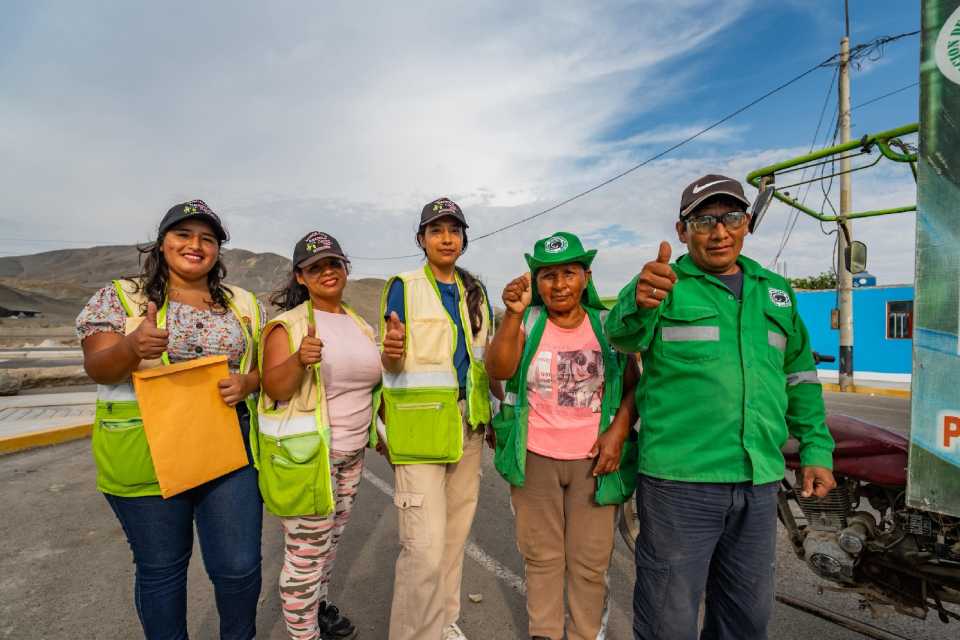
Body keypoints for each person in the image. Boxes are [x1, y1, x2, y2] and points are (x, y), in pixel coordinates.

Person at [604, 175, 837, 640]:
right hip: (680, 483)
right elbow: (622, 335)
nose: (719, 232)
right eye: (703, 221)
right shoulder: (663, 285)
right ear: (682, 230)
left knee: (745, 619)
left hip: (758, 480)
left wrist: (816, 449)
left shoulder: (775, 291)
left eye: (731, 217)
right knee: (668, 620)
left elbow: (800, 376)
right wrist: (638, 300)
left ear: (746, 223)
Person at [77, 199, 264, 640]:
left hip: (227, 449)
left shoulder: (242, 304)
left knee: (239, 566)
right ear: (162, 243)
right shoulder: (122, 296)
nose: (195, 245)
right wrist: (131, 347)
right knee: (162, 569)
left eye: (207, 238)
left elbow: (262, 368)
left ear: (218, 250)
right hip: (147, 452)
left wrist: (248, 383)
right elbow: (98, 367)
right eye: (183, 234)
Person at [485, 232, 639, 640]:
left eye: (569, 273)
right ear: (536, 282)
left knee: (590, 562)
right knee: (542, 556)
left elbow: (632, 387)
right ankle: (545, 632)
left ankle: (586, 634)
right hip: (536, 456)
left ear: (586, 277)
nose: (559, 284)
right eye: (548, 275)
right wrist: (512, 315)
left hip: (595, 461)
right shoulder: (528, 321)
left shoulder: (607, 326)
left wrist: (618, 431)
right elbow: (498, 370)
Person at [380, 197, 498, 640]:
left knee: (452, 541)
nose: (446, 238)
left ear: (464, 239)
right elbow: (392, 362)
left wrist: (491, 417)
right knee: (423, 550)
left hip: (469, 426)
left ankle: (444, 623)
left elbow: (481, 361)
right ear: (421, 239)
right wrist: (391, 353)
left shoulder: (475, 291)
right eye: (436, 231)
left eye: (454, 230)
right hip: (420, 431)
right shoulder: (404, 287)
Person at [259, 231, 382, 640]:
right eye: (315, 267)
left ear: (345, 267)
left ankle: (319, 609)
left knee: (329, 544)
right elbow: (274, 388)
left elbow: (368, 385)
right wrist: (298, 359)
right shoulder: (288, 326)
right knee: (306, 557)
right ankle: (304, 633)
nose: (327, 272)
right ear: (300, 276)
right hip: (308, 458)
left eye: (333, 263)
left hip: (351, 454)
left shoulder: (358, 324)